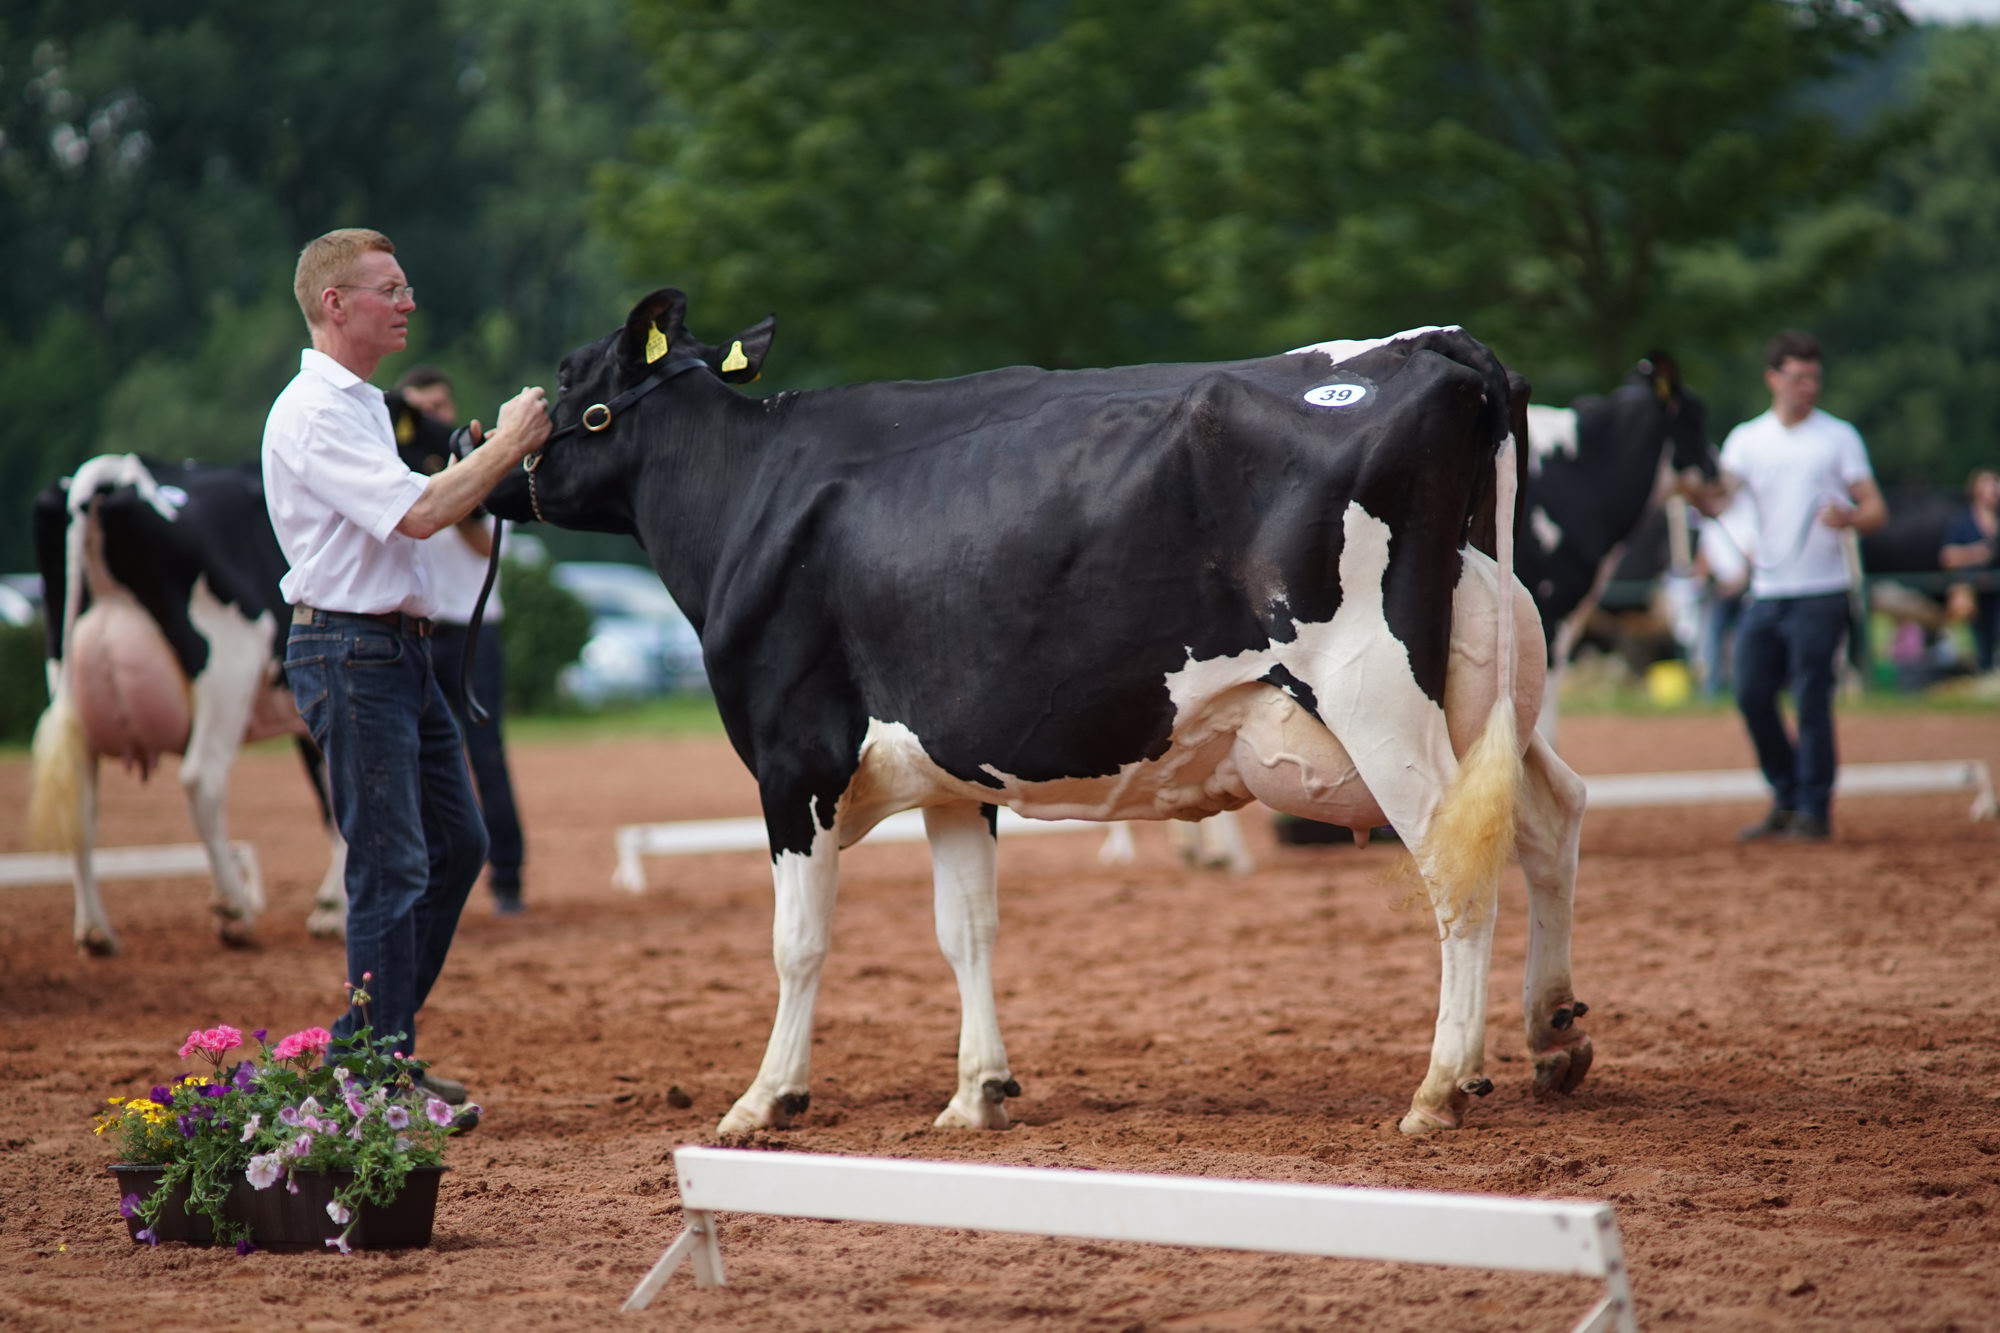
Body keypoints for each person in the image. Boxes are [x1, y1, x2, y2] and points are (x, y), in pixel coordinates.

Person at [262, 228, 550, 1111]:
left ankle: (369, 1048)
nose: (408, 301)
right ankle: (374, 1075)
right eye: (390, 288)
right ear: (334, 303)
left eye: (407, 286)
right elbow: (421, 515)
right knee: (389, 865)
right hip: (352, 650)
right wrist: (505, 446)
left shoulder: (362, 406)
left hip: (394, 649)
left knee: (457, 845)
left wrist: (474, 458)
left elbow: (421, 502)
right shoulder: (313, 410)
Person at [1713, 330, 1887, 843]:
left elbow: (1877, 508)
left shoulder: (1839, 438)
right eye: (1798, 377)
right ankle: (1787, 795)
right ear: (1774, 378)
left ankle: (1814, 809)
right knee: (1750, 693)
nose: (1808, 387)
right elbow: (1719, 496)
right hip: (1766, 591)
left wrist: (1851, 518)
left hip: (1822, 590)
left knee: (1812, 699)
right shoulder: (1747, 439)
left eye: (1814, 377)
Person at [393, 365, 528, 915]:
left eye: (440, 406)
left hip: (474, 631)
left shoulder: (480, 466)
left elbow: (484, 546)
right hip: (416, 630)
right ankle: (431, 882)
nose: (434, 417)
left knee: (486, 756)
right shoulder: (390, 470)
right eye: (420, 410)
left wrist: (453, 487)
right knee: (414, 761)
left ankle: (509, 877)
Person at [1939, 468, 2000, 674]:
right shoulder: (1963, 522)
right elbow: (1947, 556)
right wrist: (1977, 553)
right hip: (1973, 590)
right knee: (1978, 639)